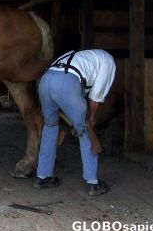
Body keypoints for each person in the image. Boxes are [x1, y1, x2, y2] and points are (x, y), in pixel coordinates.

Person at [34, 49, 116, 196]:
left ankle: (43, 177)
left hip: (45, 81)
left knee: (50, 126)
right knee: (86, 131)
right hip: (67, 83)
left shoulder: (80, 55)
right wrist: (91, 117)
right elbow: (96, 96)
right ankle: (93, 183)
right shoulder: (108, 61)